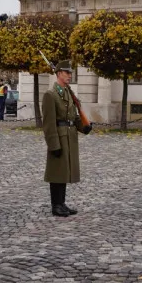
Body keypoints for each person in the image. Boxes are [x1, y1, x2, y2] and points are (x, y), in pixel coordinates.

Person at [41, 60, 92, 217]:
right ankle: (55, 205)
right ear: (58, 74)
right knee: (56, 172)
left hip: (70, 136)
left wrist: (84, 127)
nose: (70, 75)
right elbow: (48, 124)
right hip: (59, 137)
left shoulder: (68, 93)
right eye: (66, 72)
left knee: (64, 171)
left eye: (70, 72)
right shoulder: (50, 95)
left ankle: (62, 203)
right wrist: (53, 144)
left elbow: (74, 116)